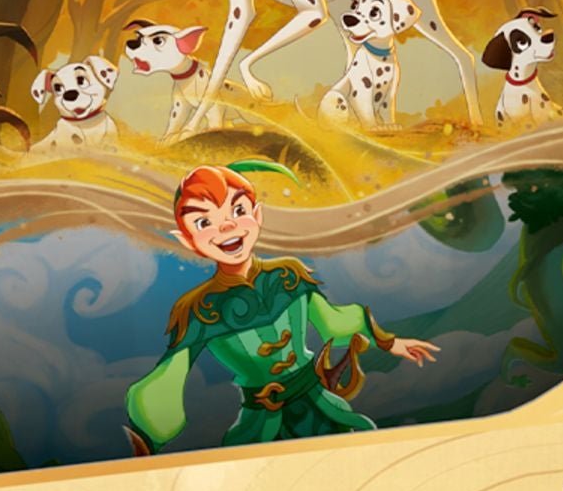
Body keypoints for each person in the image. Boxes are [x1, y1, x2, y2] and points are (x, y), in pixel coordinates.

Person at [122, 164, 437, 453]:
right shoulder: (199, 309)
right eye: (204, 222)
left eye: (238, 210)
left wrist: (389, 342)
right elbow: (169, 377)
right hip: (261, 423)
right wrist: (148, 438)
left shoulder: (288, 274)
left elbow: (333, 321)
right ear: (188, 240)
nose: (227, 226)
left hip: (318, 404)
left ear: (257, 215)